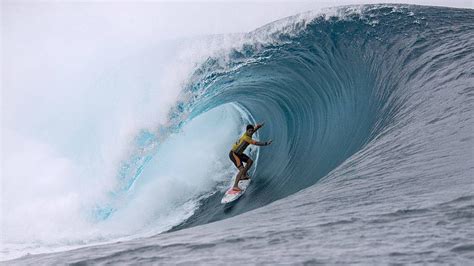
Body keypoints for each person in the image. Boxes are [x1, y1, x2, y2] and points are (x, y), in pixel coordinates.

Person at [229, 123, 272, 192]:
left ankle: (243, 176)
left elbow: (252, 131)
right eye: (250, 131)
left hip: (239, 154)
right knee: (241, 169)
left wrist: (258, 127)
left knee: (250, 161)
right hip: (234, 154)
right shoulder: (246, 138)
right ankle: (235, 186)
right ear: (246, 131)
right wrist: (266, 143)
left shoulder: (248, 134)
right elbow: (256, 143)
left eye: (252, 131)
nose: (251, 132)